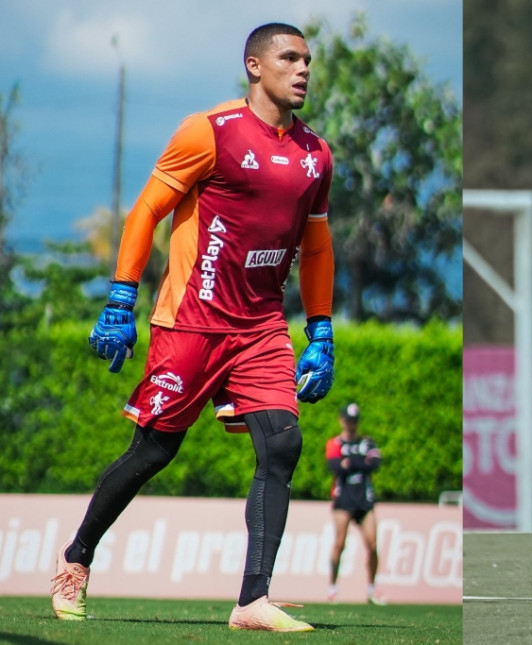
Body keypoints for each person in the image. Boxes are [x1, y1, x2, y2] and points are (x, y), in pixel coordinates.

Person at [49, 23, 336, 632]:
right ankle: (76, 558)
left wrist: (322, 330)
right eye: (289, 58)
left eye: (308, 59)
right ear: (255, 67)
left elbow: (315, 249)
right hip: (192, 323)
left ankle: (253, 601)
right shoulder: (210, 131)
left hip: (261, 328)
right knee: (154, 450)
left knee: (282, 444)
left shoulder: (316, 154)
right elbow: (147, 210)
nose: (303, 69)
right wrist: (121, 299)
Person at [326, 402, 385, 605]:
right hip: (343, 500)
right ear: (342, 420)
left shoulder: (368, 442)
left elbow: (375, 463)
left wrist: (349, 462)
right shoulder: (335, 443)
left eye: (355, 420)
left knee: (373, 544)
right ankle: (332, 587)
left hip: (364, 500)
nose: (352, 424)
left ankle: (372, 588)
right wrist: (359, 462)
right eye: (349, 420)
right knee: (339, 544)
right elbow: (334, 466)